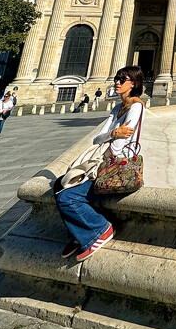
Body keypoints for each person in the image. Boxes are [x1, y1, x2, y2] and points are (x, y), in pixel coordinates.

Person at [56, 65, 146, 263]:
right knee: (58, 186)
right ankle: (78, 234)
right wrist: (113, 133)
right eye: (117, 78)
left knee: (68, 198)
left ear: (134, 83)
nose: (117, 82)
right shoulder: (117, 108)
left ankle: (100, 230)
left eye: (123, 79)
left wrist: (109, 143)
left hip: (113, 166)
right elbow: (97, 138)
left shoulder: (137, 106)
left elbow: (121, 143)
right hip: (100, 161)